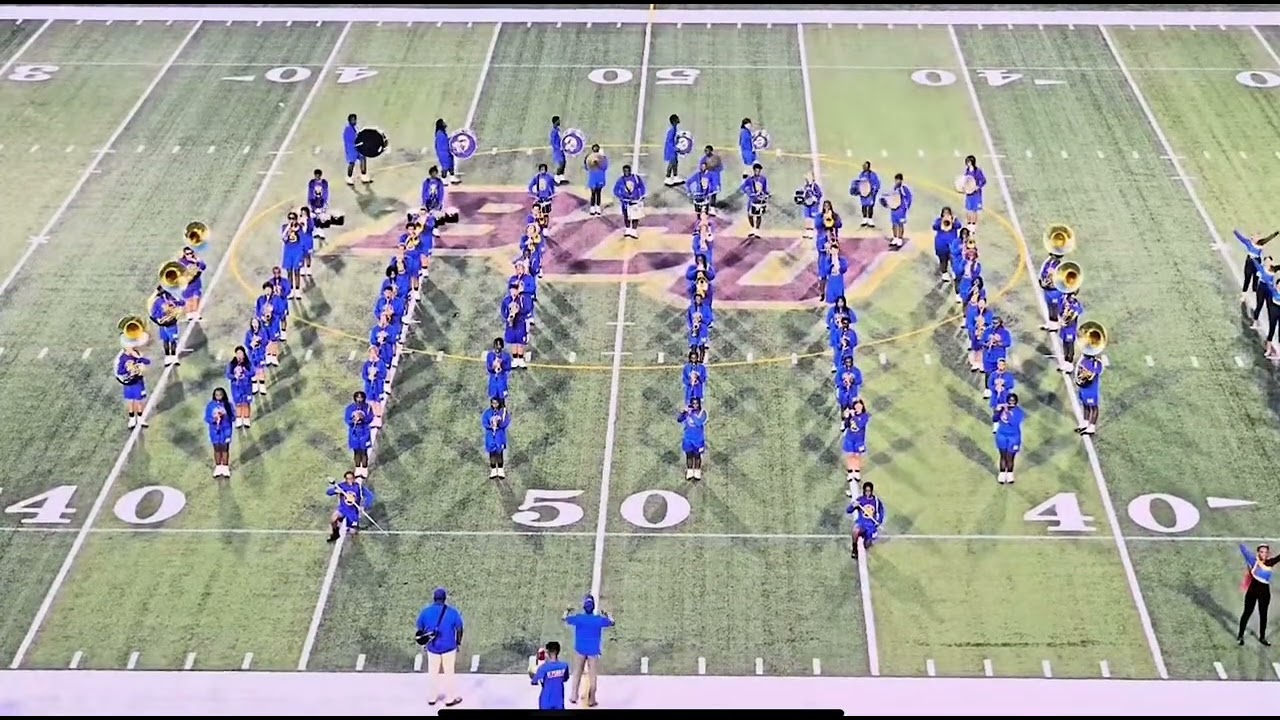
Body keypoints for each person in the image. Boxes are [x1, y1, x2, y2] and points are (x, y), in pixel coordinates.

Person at [417, 587, 465, 707]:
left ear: (434, 598)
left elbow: (420, 628)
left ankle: (432, 698)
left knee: (433, 673)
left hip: (433, 647)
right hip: (449, 647)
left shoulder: (425, 612)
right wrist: (458, 642)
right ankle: (449, 699)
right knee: (449, 673)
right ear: (444, 599)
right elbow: (459, 628)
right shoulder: (452, 612)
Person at [564, 594, 614, 707]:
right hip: (593, 651)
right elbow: (612, 622)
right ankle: (592, 699)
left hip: (580, 649)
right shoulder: (598, 620)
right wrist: (607, 615)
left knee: (577, 672)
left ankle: (573, 696)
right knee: (592, 676)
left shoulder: (579, 618)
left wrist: (567, 611)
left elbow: (565, 619)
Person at [1237, 543, 1276, 646]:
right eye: (1262, 552)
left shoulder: (1270, 562)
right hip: (1252, 592)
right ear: (1258, 553)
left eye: (1266, 552)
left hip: (1264, 593)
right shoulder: (1252, 560)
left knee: (1263, 615)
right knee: (1247, 613)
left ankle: (1262, 637)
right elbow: (1244, 550)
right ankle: (1240, 636)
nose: (1264, 554)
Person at [530, 641, 570, 710]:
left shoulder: (543, 668)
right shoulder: (564, 666)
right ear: (558, 651)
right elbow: (565, 679)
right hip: (559, 702)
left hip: (545, 702)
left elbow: (534, 682)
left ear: (547, 652)